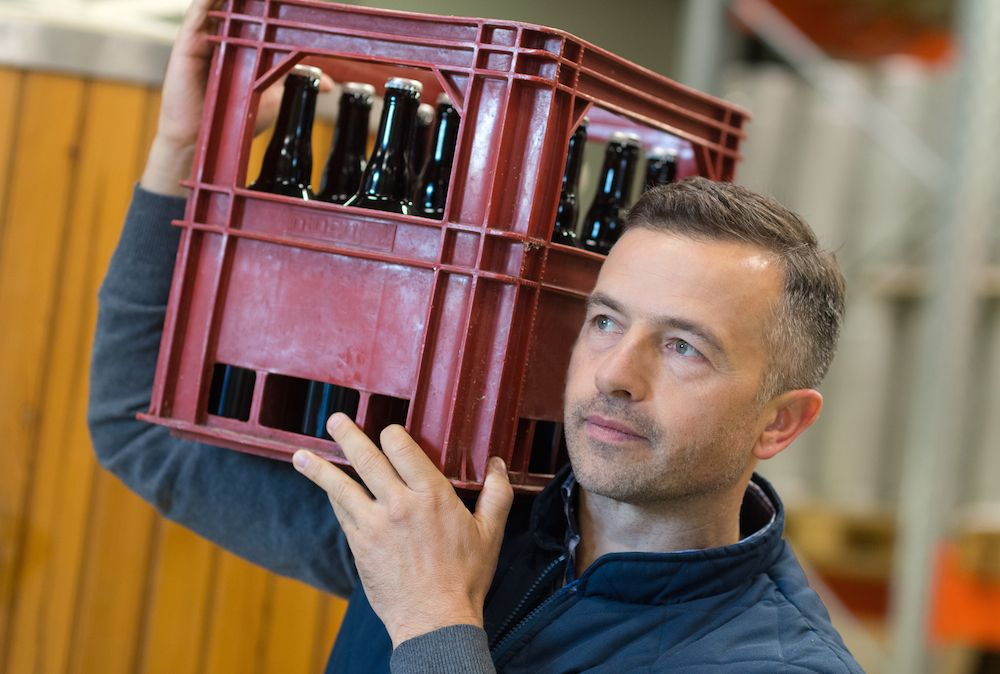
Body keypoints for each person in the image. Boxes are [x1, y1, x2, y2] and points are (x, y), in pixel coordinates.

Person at [88, 0, 863, 672]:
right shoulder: (458, 520)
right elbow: (137, 426)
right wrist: (181, 156)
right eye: (605, 321)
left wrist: (435, 621)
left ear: (780, 421)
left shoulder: (774, 661)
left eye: (683, 346)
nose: (614, 374)